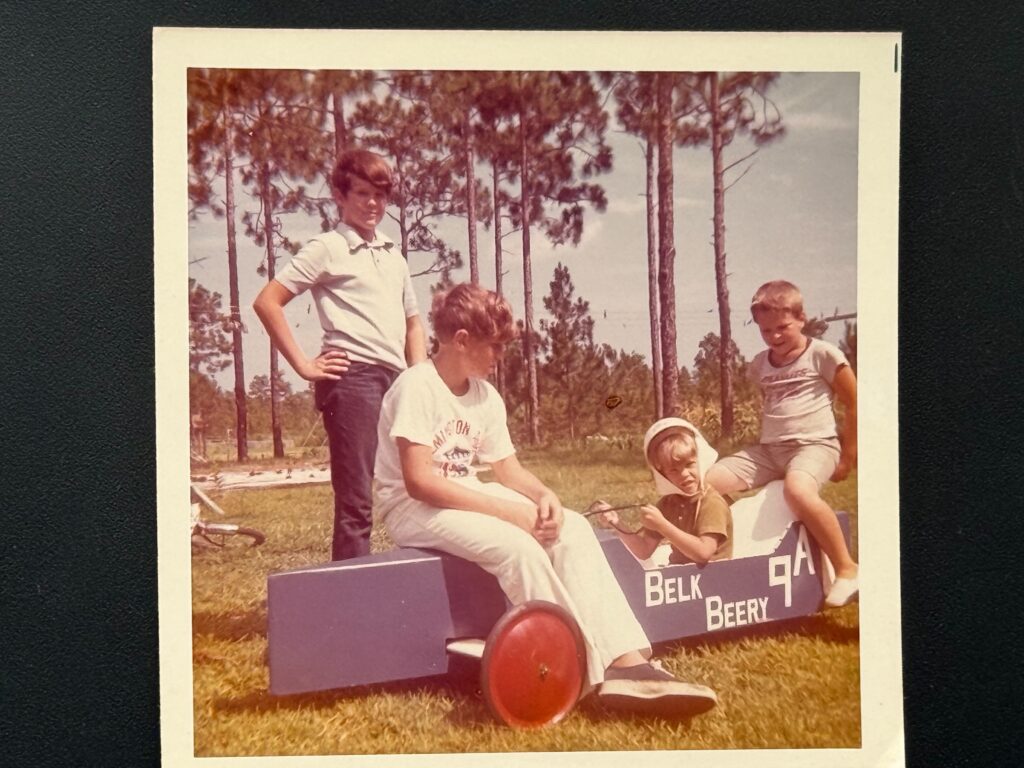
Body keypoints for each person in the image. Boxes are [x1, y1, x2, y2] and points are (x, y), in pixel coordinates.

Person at [373, 282, 717, 715]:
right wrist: (510, 512)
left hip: (461, 491)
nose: (500, 357)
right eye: (494, 347)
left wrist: (543, 495)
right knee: (519, 547)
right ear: (461, 340)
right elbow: (420, 482)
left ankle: (628, 660)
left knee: (571, 525)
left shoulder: (484, 395)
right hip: (412, 508)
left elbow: (508, 469)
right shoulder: (416, 385)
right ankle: (578, 671)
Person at [253, 148, 426, 561]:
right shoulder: (328, 247)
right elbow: (267, 301)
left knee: (419, 484)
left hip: (397, 380)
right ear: (339, 195)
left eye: (381, 196)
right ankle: (353, 608)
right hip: (353, 382)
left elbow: (413, 322)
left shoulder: (392, 254)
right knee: (356, 501)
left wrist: (421, 381)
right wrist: (304, 365)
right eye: (363, 193)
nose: (373, 204)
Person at [705, 280, 858, 607]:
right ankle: (729, 552)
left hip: (814, 446)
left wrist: (848, 456)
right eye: (765, 331)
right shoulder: (760, 364)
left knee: (798, 491)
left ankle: (847, 567)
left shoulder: (823, 355)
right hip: (770, 451)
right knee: (707, 482)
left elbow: (854, 403)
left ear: (802, 318)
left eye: (782, 328)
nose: (774, 337)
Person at [594, 418, 732, 566]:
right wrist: (616, 523)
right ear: (663, 475)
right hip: (681, 577)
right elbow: (644, 550)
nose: (684, 474)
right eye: (674, 470)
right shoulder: (669, 503)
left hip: (715, 579)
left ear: (700, 460)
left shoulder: (711, 502)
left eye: (690, 464)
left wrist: (661, 525)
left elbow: (703, 553)